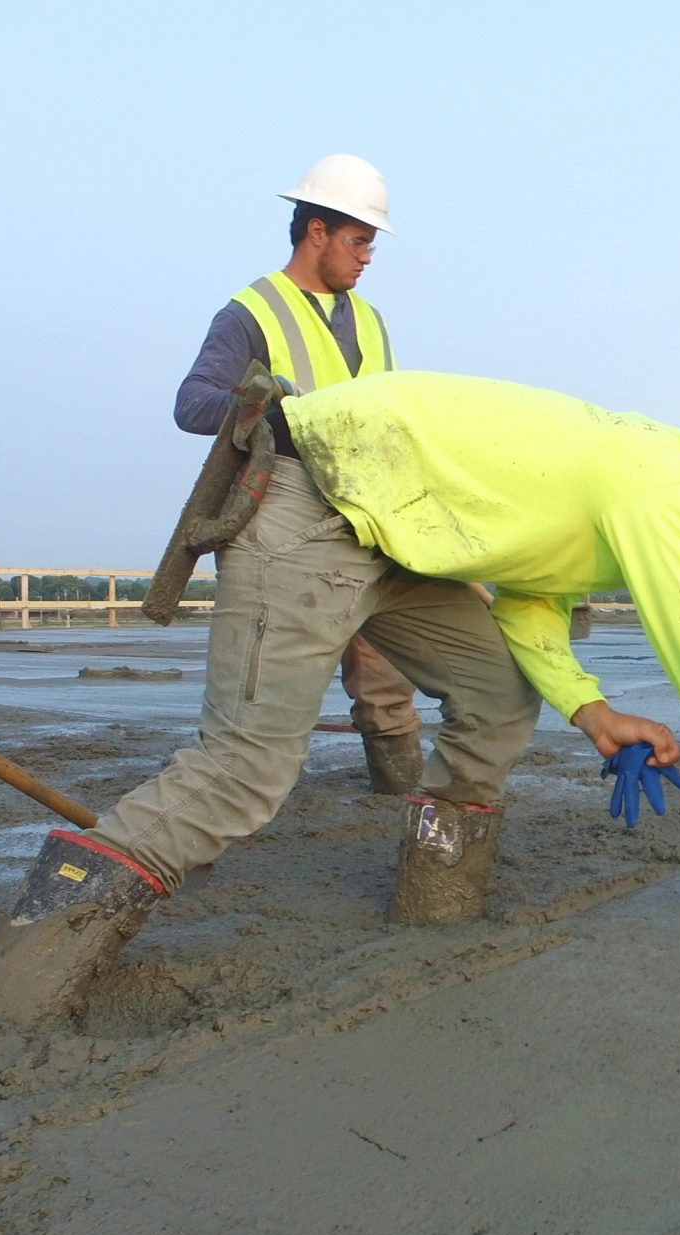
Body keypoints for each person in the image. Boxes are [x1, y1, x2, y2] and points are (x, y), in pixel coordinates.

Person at [0, 373, 680, 1026]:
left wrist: (595, 715)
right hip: (311, 505)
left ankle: (435, 896)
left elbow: (531, 603)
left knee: (496, 689)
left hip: (393, 537)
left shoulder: (640, 473)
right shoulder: (665, 490)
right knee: (245, 770)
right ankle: (17, 982)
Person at [173, 153, 426, 794]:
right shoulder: (251, 313)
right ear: (317, 231)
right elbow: (191, 404)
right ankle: (219, 800)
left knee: (386, 681)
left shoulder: (369, 321)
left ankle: (398, 792)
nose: (368, 257)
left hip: (365, 525)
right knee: (265, 688)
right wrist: (265, 405)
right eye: (359, 241)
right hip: (280, 533)